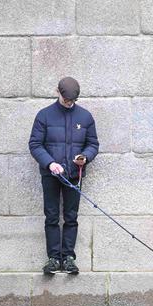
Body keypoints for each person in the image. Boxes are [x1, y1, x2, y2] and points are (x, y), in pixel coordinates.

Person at [29, 77, 99, 275]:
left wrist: (85, 157)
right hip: (50, 175)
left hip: (74, 175)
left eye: (72, 101)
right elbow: (35, 144)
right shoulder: (44, 116)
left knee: (71, 217)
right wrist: (50, 163)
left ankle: (68, 258)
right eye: (66, 99)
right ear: (57, 92)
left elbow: (93, 144)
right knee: (51, 217)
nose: (69, 103)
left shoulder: (85, 117)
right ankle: (53, 259)